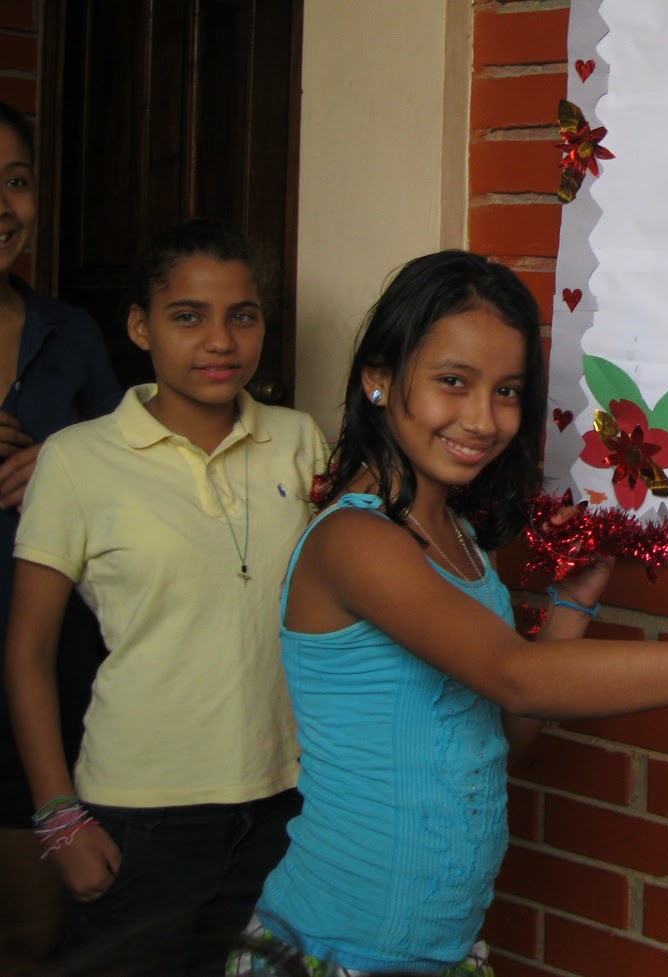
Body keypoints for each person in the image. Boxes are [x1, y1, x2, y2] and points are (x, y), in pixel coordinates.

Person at [240, 250, 668, 975]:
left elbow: (494, 735)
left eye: (508, 391)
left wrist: (568, 608)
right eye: (453, 382)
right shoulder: (356, 540)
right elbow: (517, 676)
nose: (483, 418)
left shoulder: (458, 540)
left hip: (433, 953)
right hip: (336, 950)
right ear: (378, 377)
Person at [4, 218, 326, 968]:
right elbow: (27, 651)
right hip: (138, 820)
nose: (220, 340)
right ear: (140, 327)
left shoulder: (299, 439)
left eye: (241, 316)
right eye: (189, 316)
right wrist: (60, 822)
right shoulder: (79, 461)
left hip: (287, 805)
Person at [0, 100, 122, 967]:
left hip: (35, 687)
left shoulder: (70, 335)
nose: (5, 206)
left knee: (33, 936)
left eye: (16, 181)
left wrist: (66, 468)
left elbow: (130, 494)